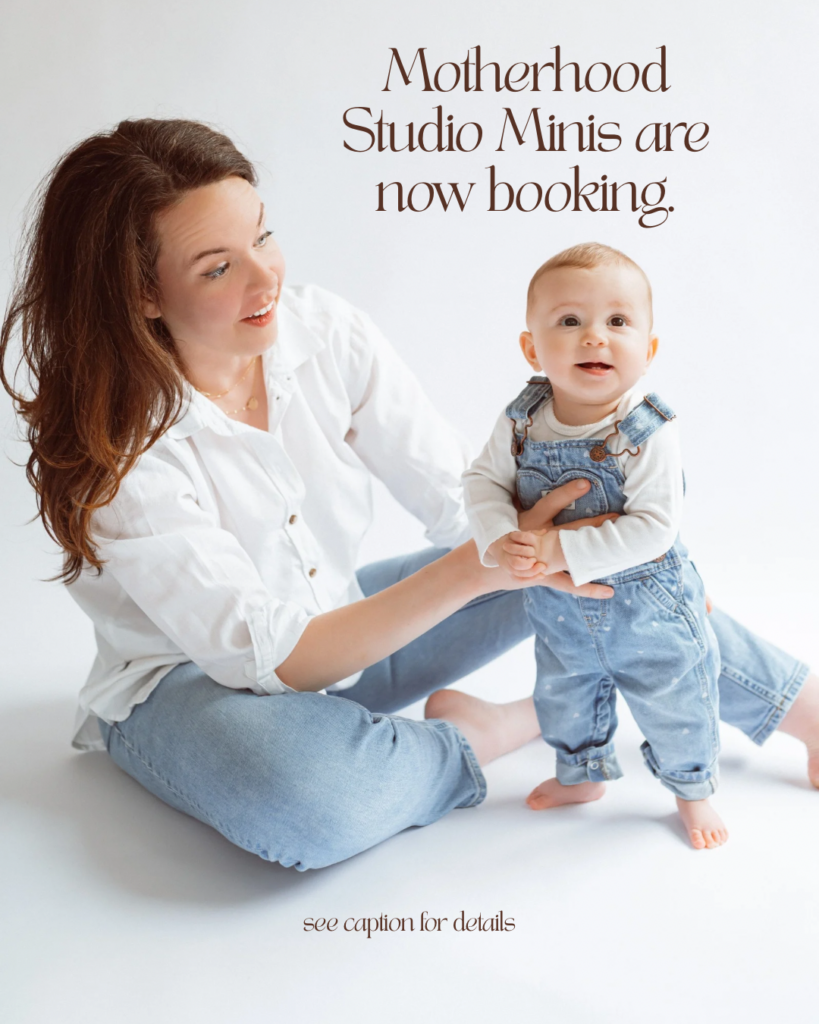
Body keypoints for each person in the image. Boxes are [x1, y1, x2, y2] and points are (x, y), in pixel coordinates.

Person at [0, 119, 815, 871]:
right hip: (189, 686)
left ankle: (803, 708)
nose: (265, 277)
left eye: (263, 236)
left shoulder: (323, 333)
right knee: (309, 803)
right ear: (141, 295)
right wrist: (491, 565)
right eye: (218, 267)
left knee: (576, 539)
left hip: (341, 623)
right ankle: (494, 730)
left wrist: (640, 580)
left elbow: (462, 497)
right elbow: (270, 654)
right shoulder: (118, 448)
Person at [464, 243, 725, 849]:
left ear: (648, 350)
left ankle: (693, 791)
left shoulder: (647, 430)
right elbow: (482, 482)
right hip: (560, 612)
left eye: (617, 321)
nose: (594, 337)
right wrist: (501, 536)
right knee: (565, 697)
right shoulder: (521, 420)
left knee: (677, 702)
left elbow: (655, 527)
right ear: (532, 348)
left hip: (651, 609)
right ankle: (581, 778)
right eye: (569, 320)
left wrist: (554, 549)